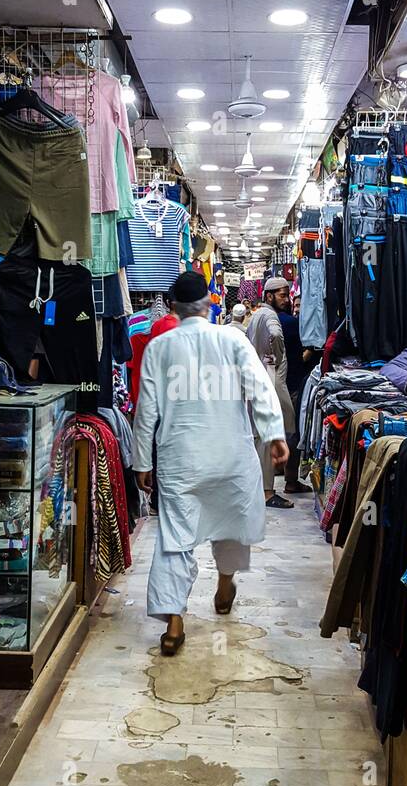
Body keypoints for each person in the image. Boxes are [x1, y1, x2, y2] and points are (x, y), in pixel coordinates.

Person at [132, 271, 288, 656]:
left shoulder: (160, 347)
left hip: (180, 459)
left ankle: (174, 625)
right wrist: (274, 434)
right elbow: (260, 387)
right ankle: (223, 586)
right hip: (231, 455)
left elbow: (146, 410)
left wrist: (140, 461)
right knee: (230, 525)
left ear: (171, 308)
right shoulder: (232, 338)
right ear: (208, 304)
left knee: (174, 538)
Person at [246, 276, 297, 508]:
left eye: (287, 295)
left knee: (263, 434)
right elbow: (275, 334)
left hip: (259, 379)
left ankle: (271, 484)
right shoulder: (270, 316)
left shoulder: (256, 315)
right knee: (274, 432)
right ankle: (268, 492)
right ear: (269, 296)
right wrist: (275, 356)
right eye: (282, 295)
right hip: (272, 380)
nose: (286, 300)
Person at [278, 293, 312, 496]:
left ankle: (276, 472)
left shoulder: (262, 319)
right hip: (292, 384)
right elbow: (301, 353)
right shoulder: (291, 323)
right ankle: (291, 480)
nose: (293, 306)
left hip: (277, 383)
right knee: (293, 431)